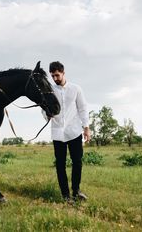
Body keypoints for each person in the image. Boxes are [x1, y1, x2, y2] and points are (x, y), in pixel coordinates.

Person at [47, 61, 91, 203]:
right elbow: (44, 109)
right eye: (52, 76)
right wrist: (47, 114)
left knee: (77, 162)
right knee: (60, 164)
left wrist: (86, 128)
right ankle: (65, 196)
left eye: (57, 75)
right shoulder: (50, 91)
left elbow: (83, 108)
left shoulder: (76, 89)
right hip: (58, 133)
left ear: (63, 73)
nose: (55, 79)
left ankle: (76, 191)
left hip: (74, 131)